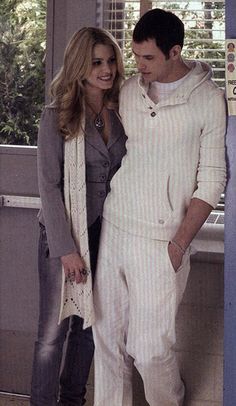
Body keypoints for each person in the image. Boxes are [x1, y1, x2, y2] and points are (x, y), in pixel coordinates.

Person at [92, 8, 226, 406]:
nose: (138, 66)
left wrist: (178, 245)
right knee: (108, 344)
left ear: (174, 51)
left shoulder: (208, 99)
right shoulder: (131, 91)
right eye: (134, 57)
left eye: (147, 58)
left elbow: (212, 181)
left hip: (162, 241)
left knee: (150, 350)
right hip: (117, 227)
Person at [30, 27, 127, 406]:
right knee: (52, 333)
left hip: (107, 232)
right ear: (79, 65)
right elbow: (49, 188)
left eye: (110, 60)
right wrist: (66, 249)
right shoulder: (56, 115)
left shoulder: (122, 110)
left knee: (89, 329)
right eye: (96, 62)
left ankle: (73, 401)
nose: (106, 69)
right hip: (63, 236)